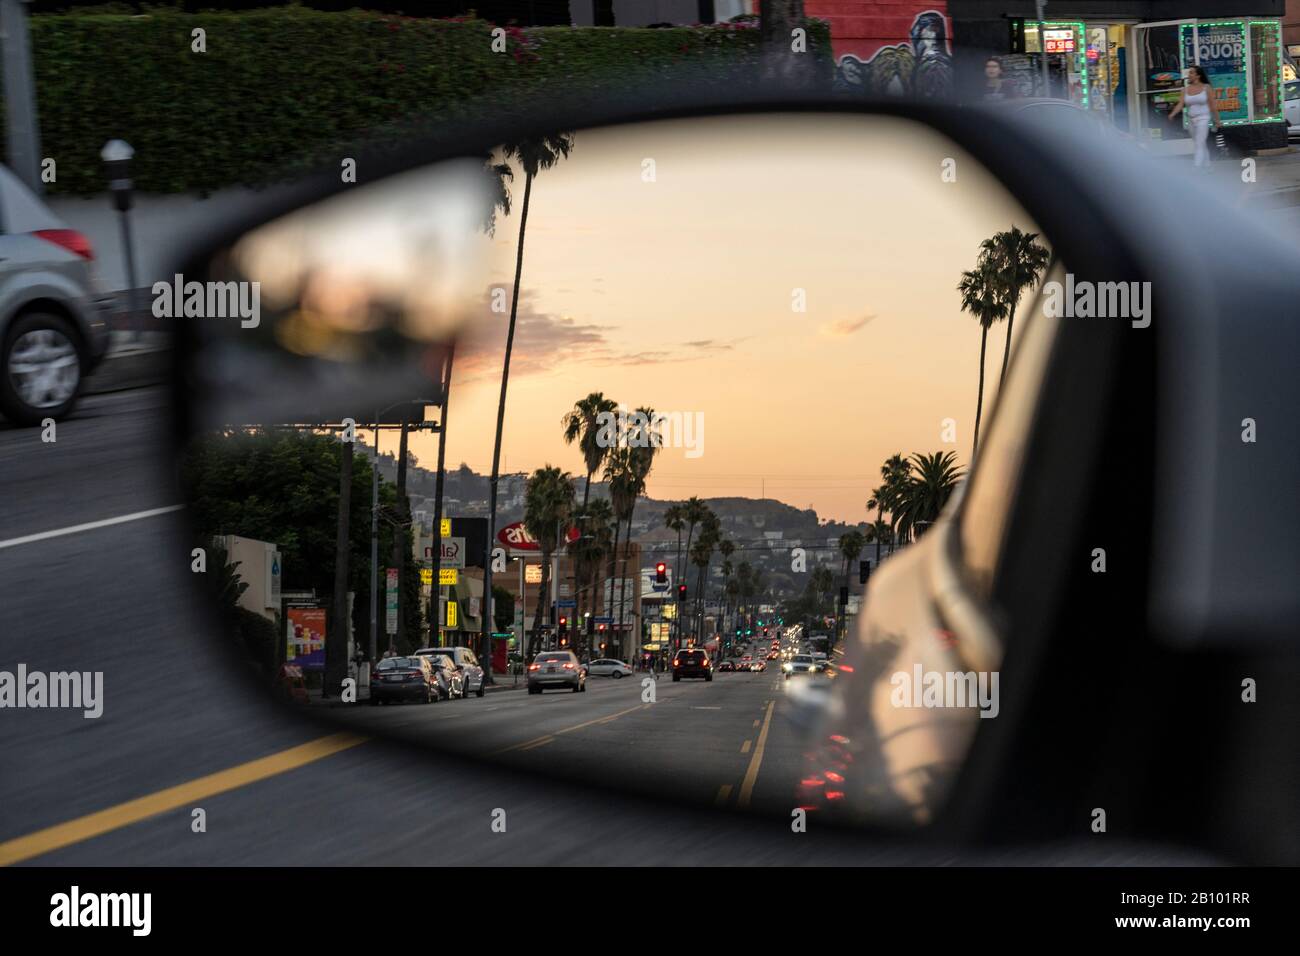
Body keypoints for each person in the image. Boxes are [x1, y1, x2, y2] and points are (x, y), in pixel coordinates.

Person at [1167, 65, 1220, 169]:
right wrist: (1172, 114)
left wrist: (1217, 120)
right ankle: (1208, 164)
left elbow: (1212, 105)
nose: (1189, 75)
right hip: (1191, 119)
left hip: (1203, 118)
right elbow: (1180, 104)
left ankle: (1196, 166)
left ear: (1198, 75)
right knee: (1199, 143)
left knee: (1200, 142)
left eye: (1191, 73)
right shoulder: (1185, 90)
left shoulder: (1206, 88)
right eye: (1189, 73)